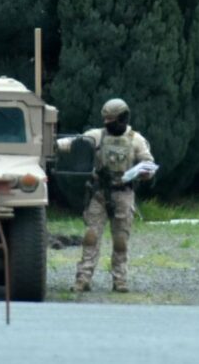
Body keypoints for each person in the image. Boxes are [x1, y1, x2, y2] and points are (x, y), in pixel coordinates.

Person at [56, 98, 155, 293]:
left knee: (121, 241)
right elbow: (73, 144)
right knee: (91, 237)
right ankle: (83, 278)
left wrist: (145, 172)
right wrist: (55, 144)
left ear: (123, 118)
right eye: (106, 120)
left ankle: (120, 280)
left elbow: (148, 163)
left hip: (124, 193)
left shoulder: (136, 140)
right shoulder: (96, 136)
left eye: (112, 120)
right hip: (99, 193)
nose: (107, 123)